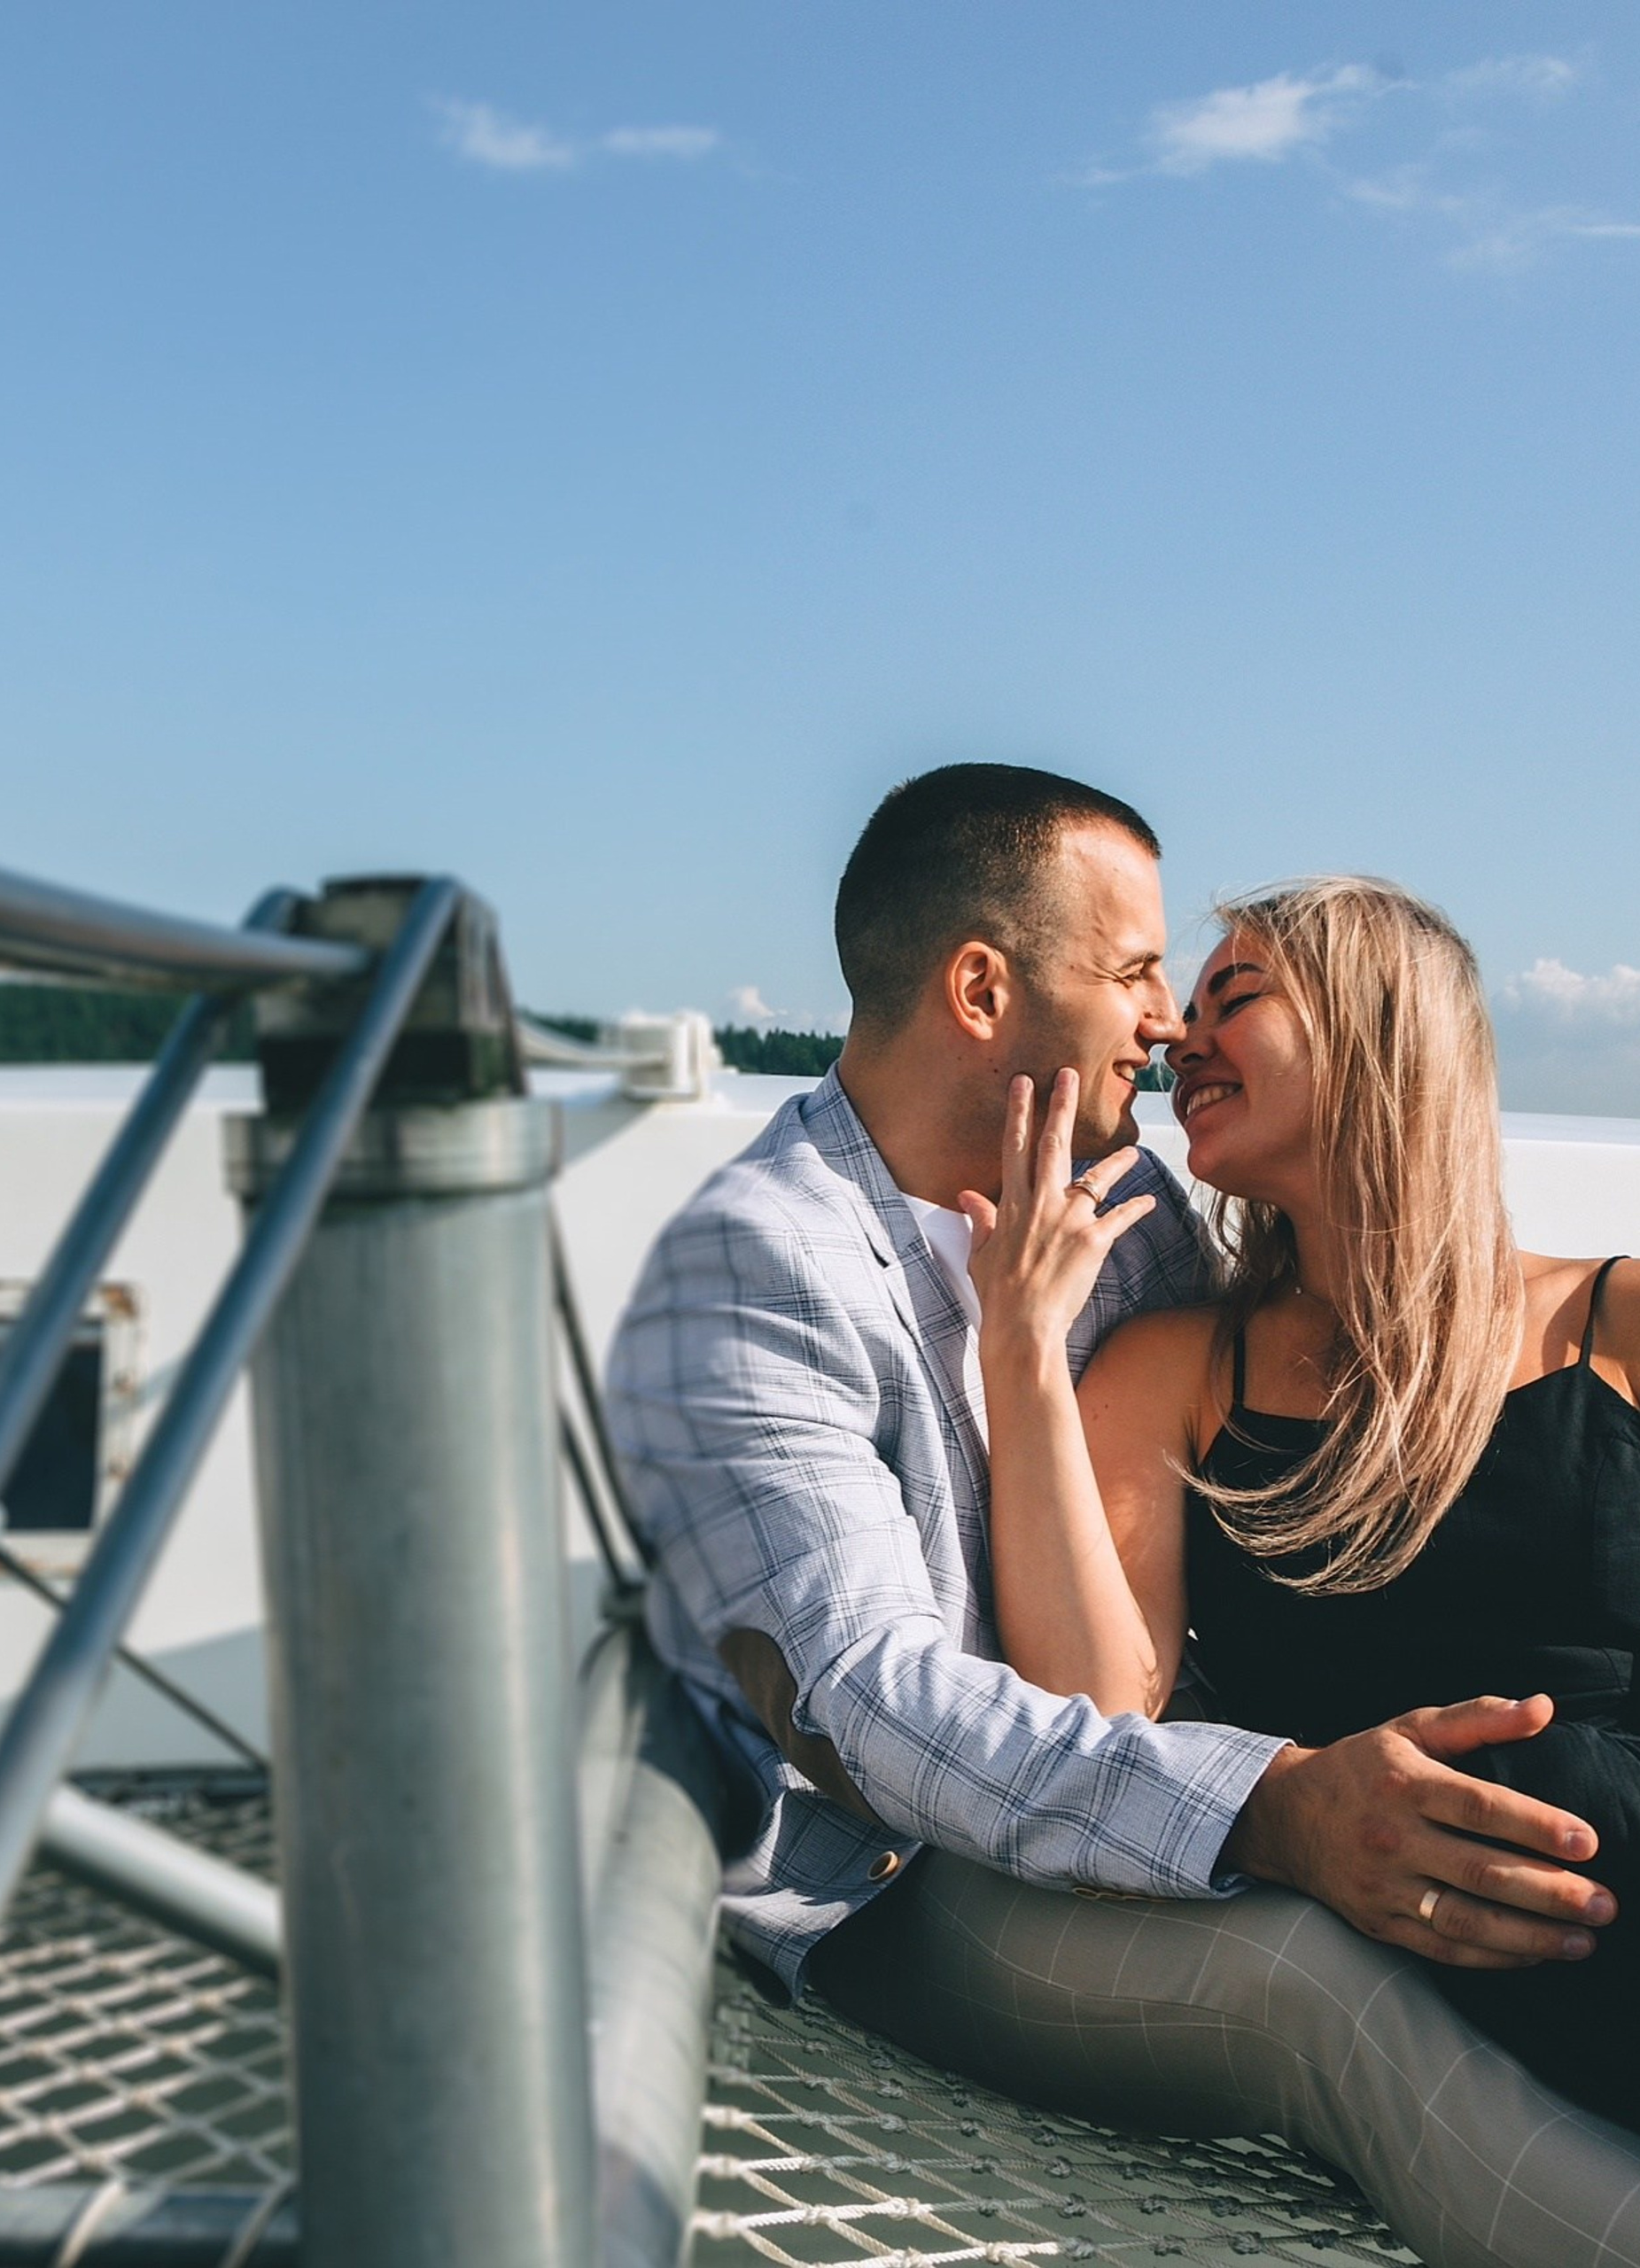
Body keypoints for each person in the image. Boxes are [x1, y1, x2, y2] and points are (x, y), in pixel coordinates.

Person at [605, 765, 1640, 2268]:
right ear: (982, 988)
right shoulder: (759, 1269)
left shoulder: (1133, 1210)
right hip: (897, 1884)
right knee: (1313, 1983)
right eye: (1144, 972)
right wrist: (1275, 1805)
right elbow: (873, 1710)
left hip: (1175, 1798)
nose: (1168, 1024)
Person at [966, 874, 1640, 2130]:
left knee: (1570, 1784)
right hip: (1422, 1936)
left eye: (1238, 996)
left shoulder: (1614, 1324)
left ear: (1382, 1028)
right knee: (1530, 1789)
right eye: (1187, 1005)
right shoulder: (1173, 1375)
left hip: (1617, 1860)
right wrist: (1018, 1346)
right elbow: (1102, 1718)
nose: (1177, 1034)